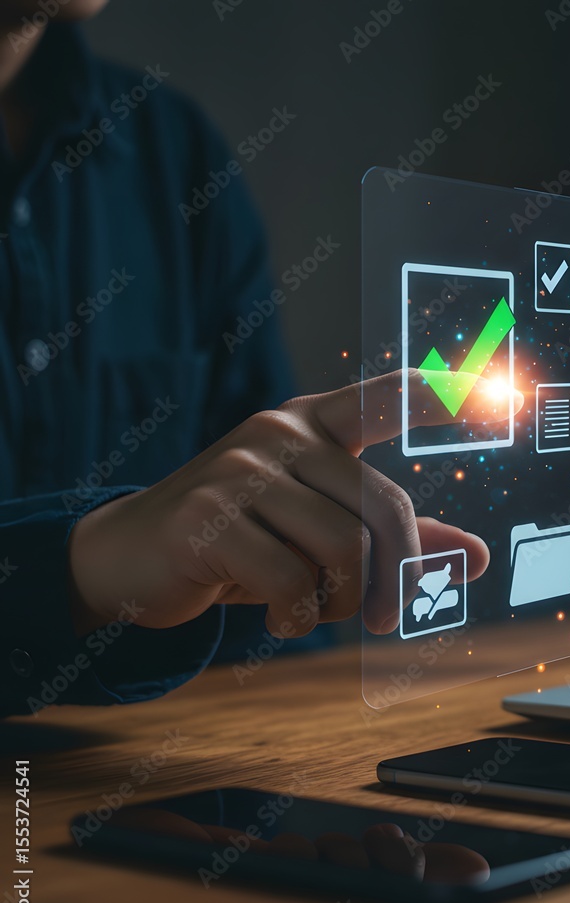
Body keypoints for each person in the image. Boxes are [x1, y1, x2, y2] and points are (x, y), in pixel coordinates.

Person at [0, 2, 504, 718]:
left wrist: (306, 780)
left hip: (168, 786)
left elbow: (278, 581)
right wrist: (85, 565)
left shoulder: (170, 151)